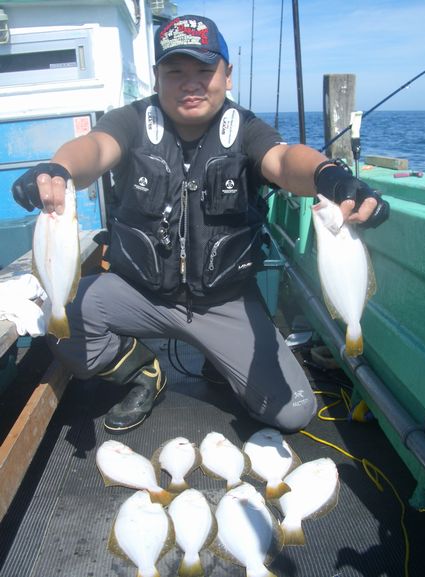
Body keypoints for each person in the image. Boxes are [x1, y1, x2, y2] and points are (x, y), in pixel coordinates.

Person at [12, 15, 389, 434]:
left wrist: (329, 176)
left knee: (293, 411)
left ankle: (221, 357)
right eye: (175, 72)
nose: (190, 83)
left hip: (223, 301)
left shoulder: (246, 129)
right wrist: (59, 169)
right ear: (157, 77)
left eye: (204, 71)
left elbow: (284, 161)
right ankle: (143, 372)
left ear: (227, 76)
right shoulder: (131, 121)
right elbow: (94, 149)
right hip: (140, 293)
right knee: (61, 323)